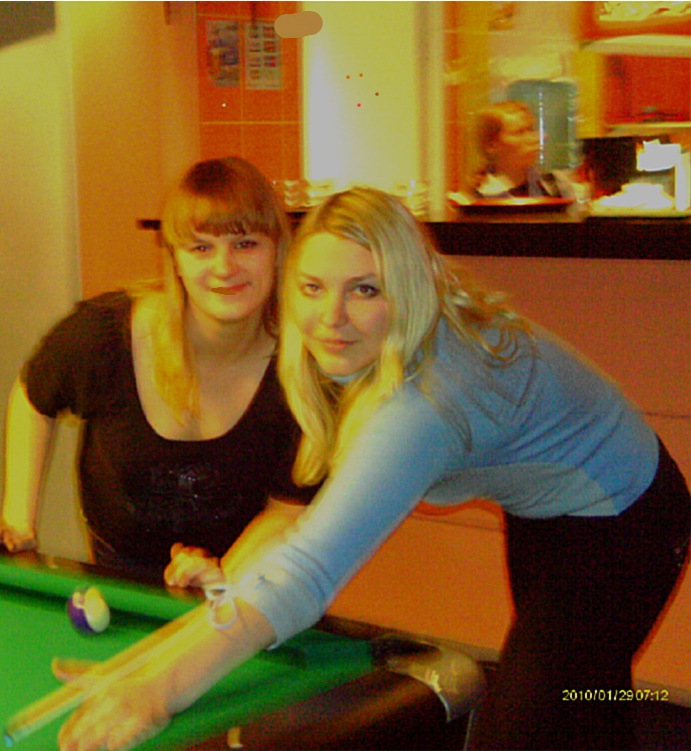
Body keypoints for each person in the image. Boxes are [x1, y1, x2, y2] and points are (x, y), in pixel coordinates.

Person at [56, 187, 689, 751]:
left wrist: (160, 690)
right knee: (585, 696)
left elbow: (306, 571)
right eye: (312, 287)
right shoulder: (340, 350)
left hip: (627, 518)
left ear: (405, 290)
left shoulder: (426, 403)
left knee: (533, 719)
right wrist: (159, 656)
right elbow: (293, 527)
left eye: (365, 289)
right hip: (550, 513)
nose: (330, 317)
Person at [0, 157, 315, 582]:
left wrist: (221, 575)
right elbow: (34, 394)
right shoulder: (103, 335)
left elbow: (287, 511)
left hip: (246, 588)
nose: (225, 267)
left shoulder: (304, 371)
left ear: (278, 249)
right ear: (175, 259)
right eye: (201, 248)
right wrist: (19, 518)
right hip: (115, 580)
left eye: (246, 244)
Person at [471, 100, 573, 200]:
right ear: (492, 145)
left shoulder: (555, 185)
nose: (534, 138)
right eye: (520, 132)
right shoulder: (477, 200)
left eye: (531, 129)